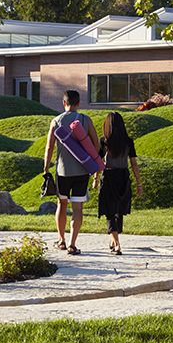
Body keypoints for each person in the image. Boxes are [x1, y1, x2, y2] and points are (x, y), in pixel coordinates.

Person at [44, 90, 98, 255]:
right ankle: (72, 245)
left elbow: (49, 147)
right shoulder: (85, 119)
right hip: (82, 170)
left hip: (62, 171)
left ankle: (61, 240)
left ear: (63, 103)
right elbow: (96, 144)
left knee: (61, 204)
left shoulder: (56, 121)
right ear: (78, 103)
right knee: (78, 208)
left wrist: (46, 169)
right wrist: (92, 165)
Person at [92, 112, 143, 256]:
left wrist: (95, 179)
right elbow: (133, 163)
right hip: (123, 177)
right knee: (118, 209)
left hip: (108, 176)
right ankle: (113, 239)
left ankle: (116, 243)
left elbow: (98, 162)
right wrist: (139, 183)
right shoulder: (128, 142)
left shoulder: (104, 141)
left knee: (110, 210)